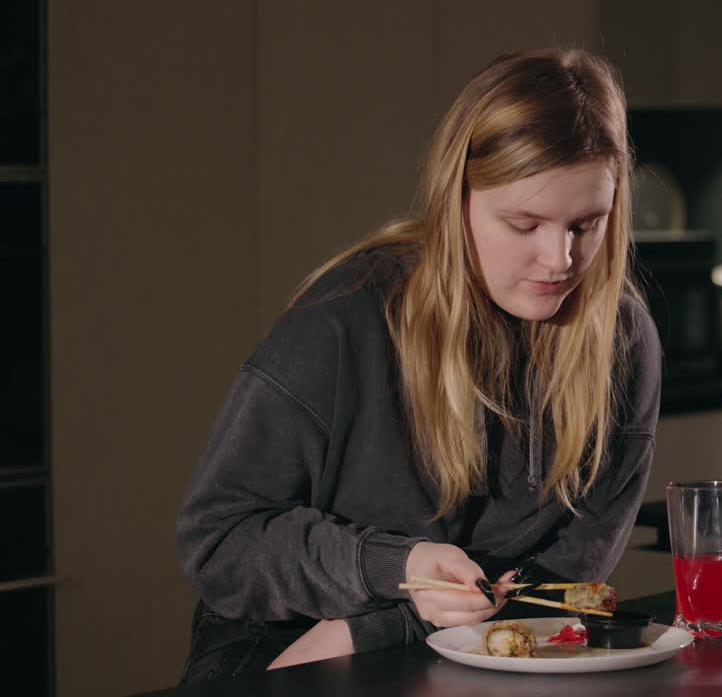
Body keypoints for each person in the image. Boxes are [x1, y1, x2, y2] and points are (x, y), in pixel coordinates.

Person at [175, 48, 661, 682]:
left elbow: (570, 576)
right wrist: (396, 567)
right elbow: (219, 543)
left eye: (586, 225)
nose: (558, 260)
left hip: (464, 650)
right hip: (282, 650)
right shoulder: (339, 325)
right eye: (523, 224)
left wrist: (376, 628)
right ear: (454, 200)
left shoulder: (619, 338)